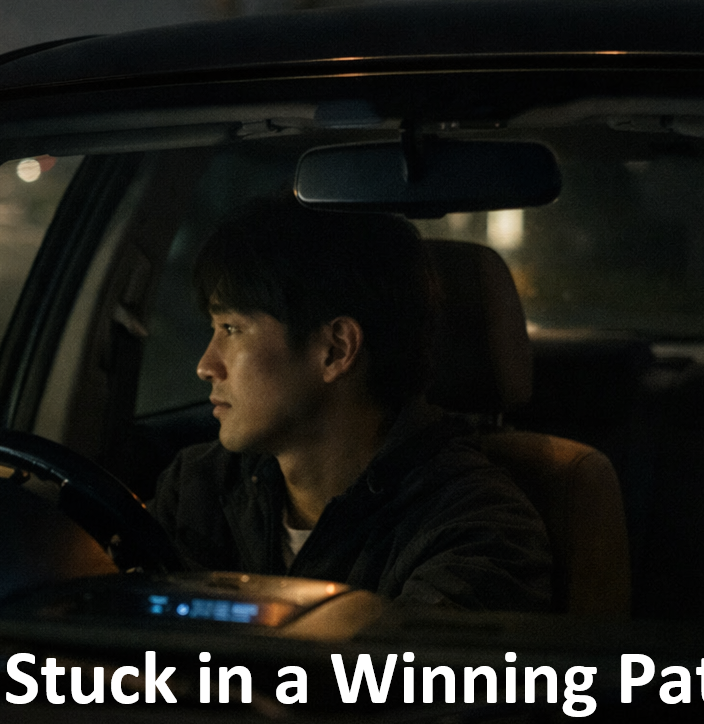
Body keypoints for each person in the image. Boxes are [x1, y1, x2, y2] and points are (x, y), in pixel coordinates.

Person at [149, 196, 552, 612]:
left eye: (232, 329)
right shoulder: (198, 488)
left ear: (335, 350)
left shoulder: (474, 527)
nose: (205, 366)